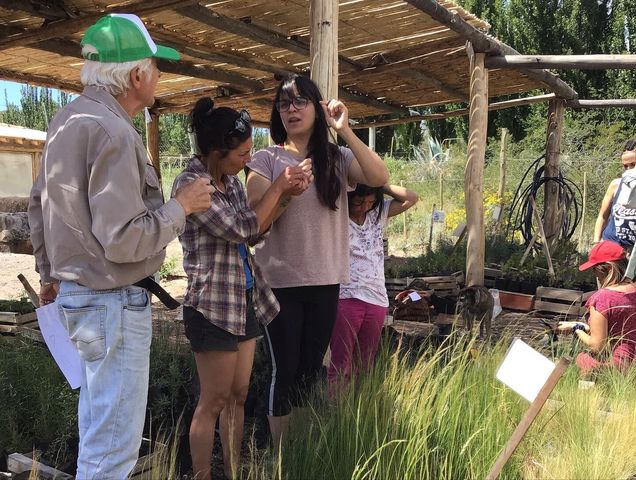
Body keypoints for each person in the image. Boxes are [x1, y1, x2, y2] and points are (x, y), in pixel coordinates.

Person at [27, 14, 214, 479]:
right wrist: (181, 207)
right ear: (136, 76)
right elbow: (124, 238)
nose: (159, 76)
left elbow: (39, 205)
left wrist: (51, 276)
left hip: (82, 302)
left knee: (98, 432)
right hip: (112, 304)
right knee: (113, 451)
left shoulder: (67, 119)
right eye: (156, 67)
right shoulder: (112, 131)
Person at [171, 98, 312, 480]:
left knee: (238, 394)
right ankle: (202, 474)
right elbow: (241, 229)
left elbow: (257, 227)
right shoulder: (192, 185)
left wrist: (285, 197)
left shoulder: (229, 181)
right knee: (213, 400)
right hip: (212, 307)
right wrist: (277, 186)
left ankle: (232, 472)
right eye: (243, 153)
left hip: (244, 300)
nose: (247, 160)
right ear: (218, 152)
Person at [246, 74, 389, 446]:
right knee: (285, 369)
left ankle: (304, 450)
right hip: (280, 284)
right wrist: (285, 190)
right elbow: (254, 223)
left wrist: (346, 131)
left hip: (326, 281)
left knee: (311, 370)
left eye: (299, 102)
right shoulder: (266, 159)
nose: (290, 110)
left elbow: (379, 175)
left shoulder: (337, 159)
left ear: (317, 107)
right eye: (283, 103)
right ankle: (281, 455)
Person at [328, 183, 418, 395]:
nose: (364, 207)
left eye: (370, 202)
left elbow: (411, 198)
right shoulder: (336, 216)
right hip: (346, 296)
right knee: (341, 363)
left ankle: (360, 412)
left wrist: (381, 184)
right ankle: (337, 415)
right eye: (359, 202)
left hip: (377, 298)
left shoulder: (377, 214)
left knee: (366, 364)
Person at [558, 240, 636, 374]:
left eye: (595, 269)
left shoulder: (602, 298)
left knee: (579, 360)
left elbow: (597, 346)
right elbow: (618, 330)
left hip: (612, 369)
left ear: (609, 268)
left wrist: (577, 329)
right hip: (631, 366)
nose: (594, 274)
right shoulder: (633, 291)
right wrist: (576, 325)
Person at [593, 139, 636, 244]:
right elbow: (602, 216)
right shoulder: (615, 185)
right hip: (611, 245)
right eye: (625, 166)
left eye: (633, 164)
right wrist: (596, 243)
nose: (629, 169)